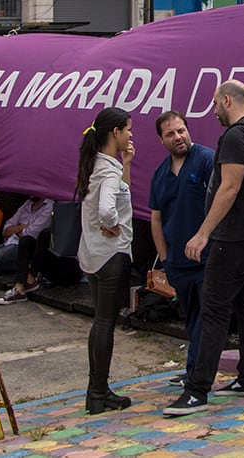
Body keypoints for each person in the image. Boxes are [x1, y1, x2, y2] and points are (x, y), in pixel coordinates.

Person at [164, 80, 244, 418]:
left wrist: (202, 234)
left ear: (227, 100)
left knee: (213, 311)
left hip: (233, 238)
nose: (213, 110)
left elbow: (229, 188)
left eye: (215, 103)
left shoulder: (236, 136)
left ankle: (197, 390)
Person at [75, 107, 135, 414]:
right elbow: (108, 209)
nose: (130, 135)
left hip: (92, 255)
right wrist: (111, 222)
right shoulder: (108, 171)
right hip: (111, 255)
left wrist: (126, 164)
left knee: (100, 322)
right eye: (127, 129)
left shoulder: (97, 165)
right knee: (106, 325)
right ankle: (99, 391)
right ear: (114, 133)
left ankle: (95, 391)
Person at [148, 110, 215, 385]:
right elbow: (156, 217)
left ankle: (197, 374)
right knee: (190, 318)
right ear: (161, 140)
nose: (178, 137)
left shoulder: (206, 161)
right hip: (177, 263)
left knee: (206, 316)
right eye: (170, 134)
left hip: (207, 258)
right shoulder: (160, 174)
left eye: (181, 131)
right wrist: (165, 259)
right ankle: (192, 371)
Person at [0, 193, 54, 300]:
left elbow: (31, 234)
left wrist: (15, 230)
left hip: (23, 249)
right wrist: (22, 227)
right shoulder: (27, 204)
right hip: (9, 242)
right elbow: (6, 229)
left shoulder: (49, 206)